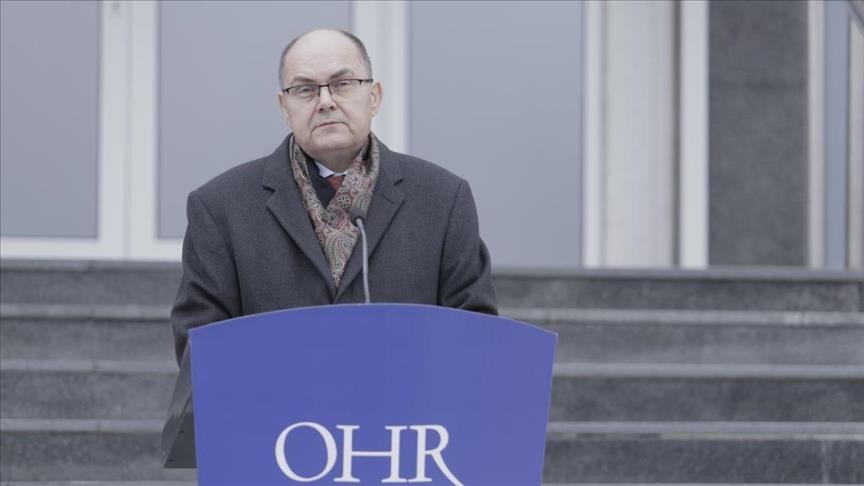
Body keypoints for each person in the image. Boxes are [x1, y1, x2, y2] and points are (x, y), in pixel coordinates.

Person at [170, 29, 497, 363]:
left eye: (343, 84)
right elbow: (201, 347)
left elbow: (475, 337)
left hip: (408, 395)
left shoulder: (442, 199)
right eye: (305, 89)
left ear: (374, 96)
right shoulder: (221, 208)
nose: (325, 101)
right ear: (284, 107)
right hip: (276, 396)